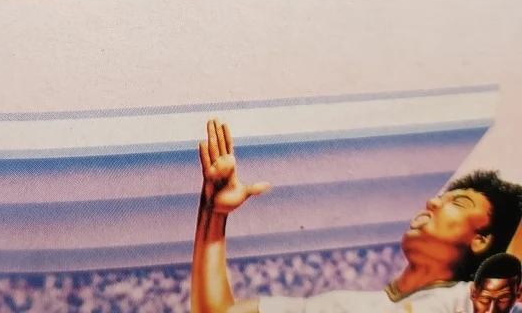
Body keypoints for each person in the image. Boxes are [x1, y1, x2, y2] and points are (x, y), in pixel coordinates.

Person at [191, 119, 522, 313]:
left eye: (459, 202)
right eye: (440, 197)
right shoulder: (340, 306)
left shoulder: (472, 301)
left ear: (482, 239)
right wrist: (213, 213)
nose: (432, 202)